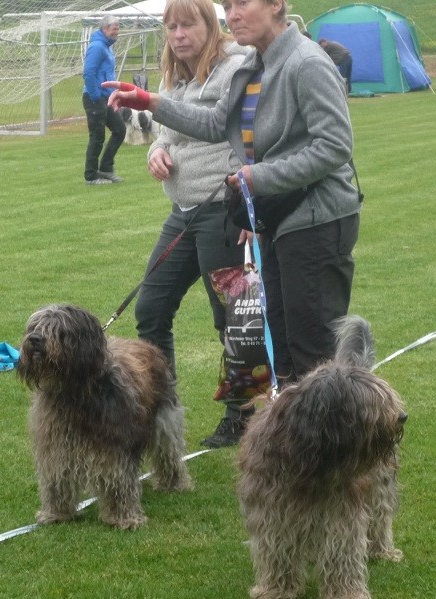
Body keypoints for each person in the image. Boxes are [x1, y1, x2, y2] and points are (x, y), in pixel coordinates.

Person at [107, 0, 360, 391]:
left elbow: (334, 146)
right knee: (281, 350)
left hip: (318, 221)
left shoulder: (306, 62)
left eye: (242, 3)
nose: (232, 13)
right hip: (280, 219)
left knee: (315, 355)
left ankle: (342, 447)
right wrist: (151, 103)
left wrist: (257, 177)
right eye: (227, 5)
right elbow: (214, 123)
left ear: (276, 4)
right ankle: (295, 447)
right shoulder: (253, 65)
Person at [135, 0, 247, 448]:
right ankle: (162, 408)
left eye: (187, 24)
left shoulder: (235, 67)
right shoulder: (174, 76)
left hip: (222, 209)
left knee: (231, 317)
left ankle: (243, 412)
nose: (178, 34)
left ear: (212, 24)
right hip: (182, 212)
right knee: (151, 309)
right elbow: (168, 132)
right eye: (170, 27)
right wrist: (155, 153)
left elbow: (218, 127)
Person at [82, 16, 125, 185]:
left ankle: (106, 169)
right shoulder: (97, 47)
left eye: (118, 28)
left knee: (120, 130)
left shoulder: (107, 48)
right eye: (114, 28)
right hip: (95, 98)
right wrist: (95, 96)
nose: (117, 31)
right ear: (104, 29)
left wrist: (113, 94)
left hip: (106, 97)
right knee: (97, 137)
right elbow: (88, 73)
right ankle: (91, 176)